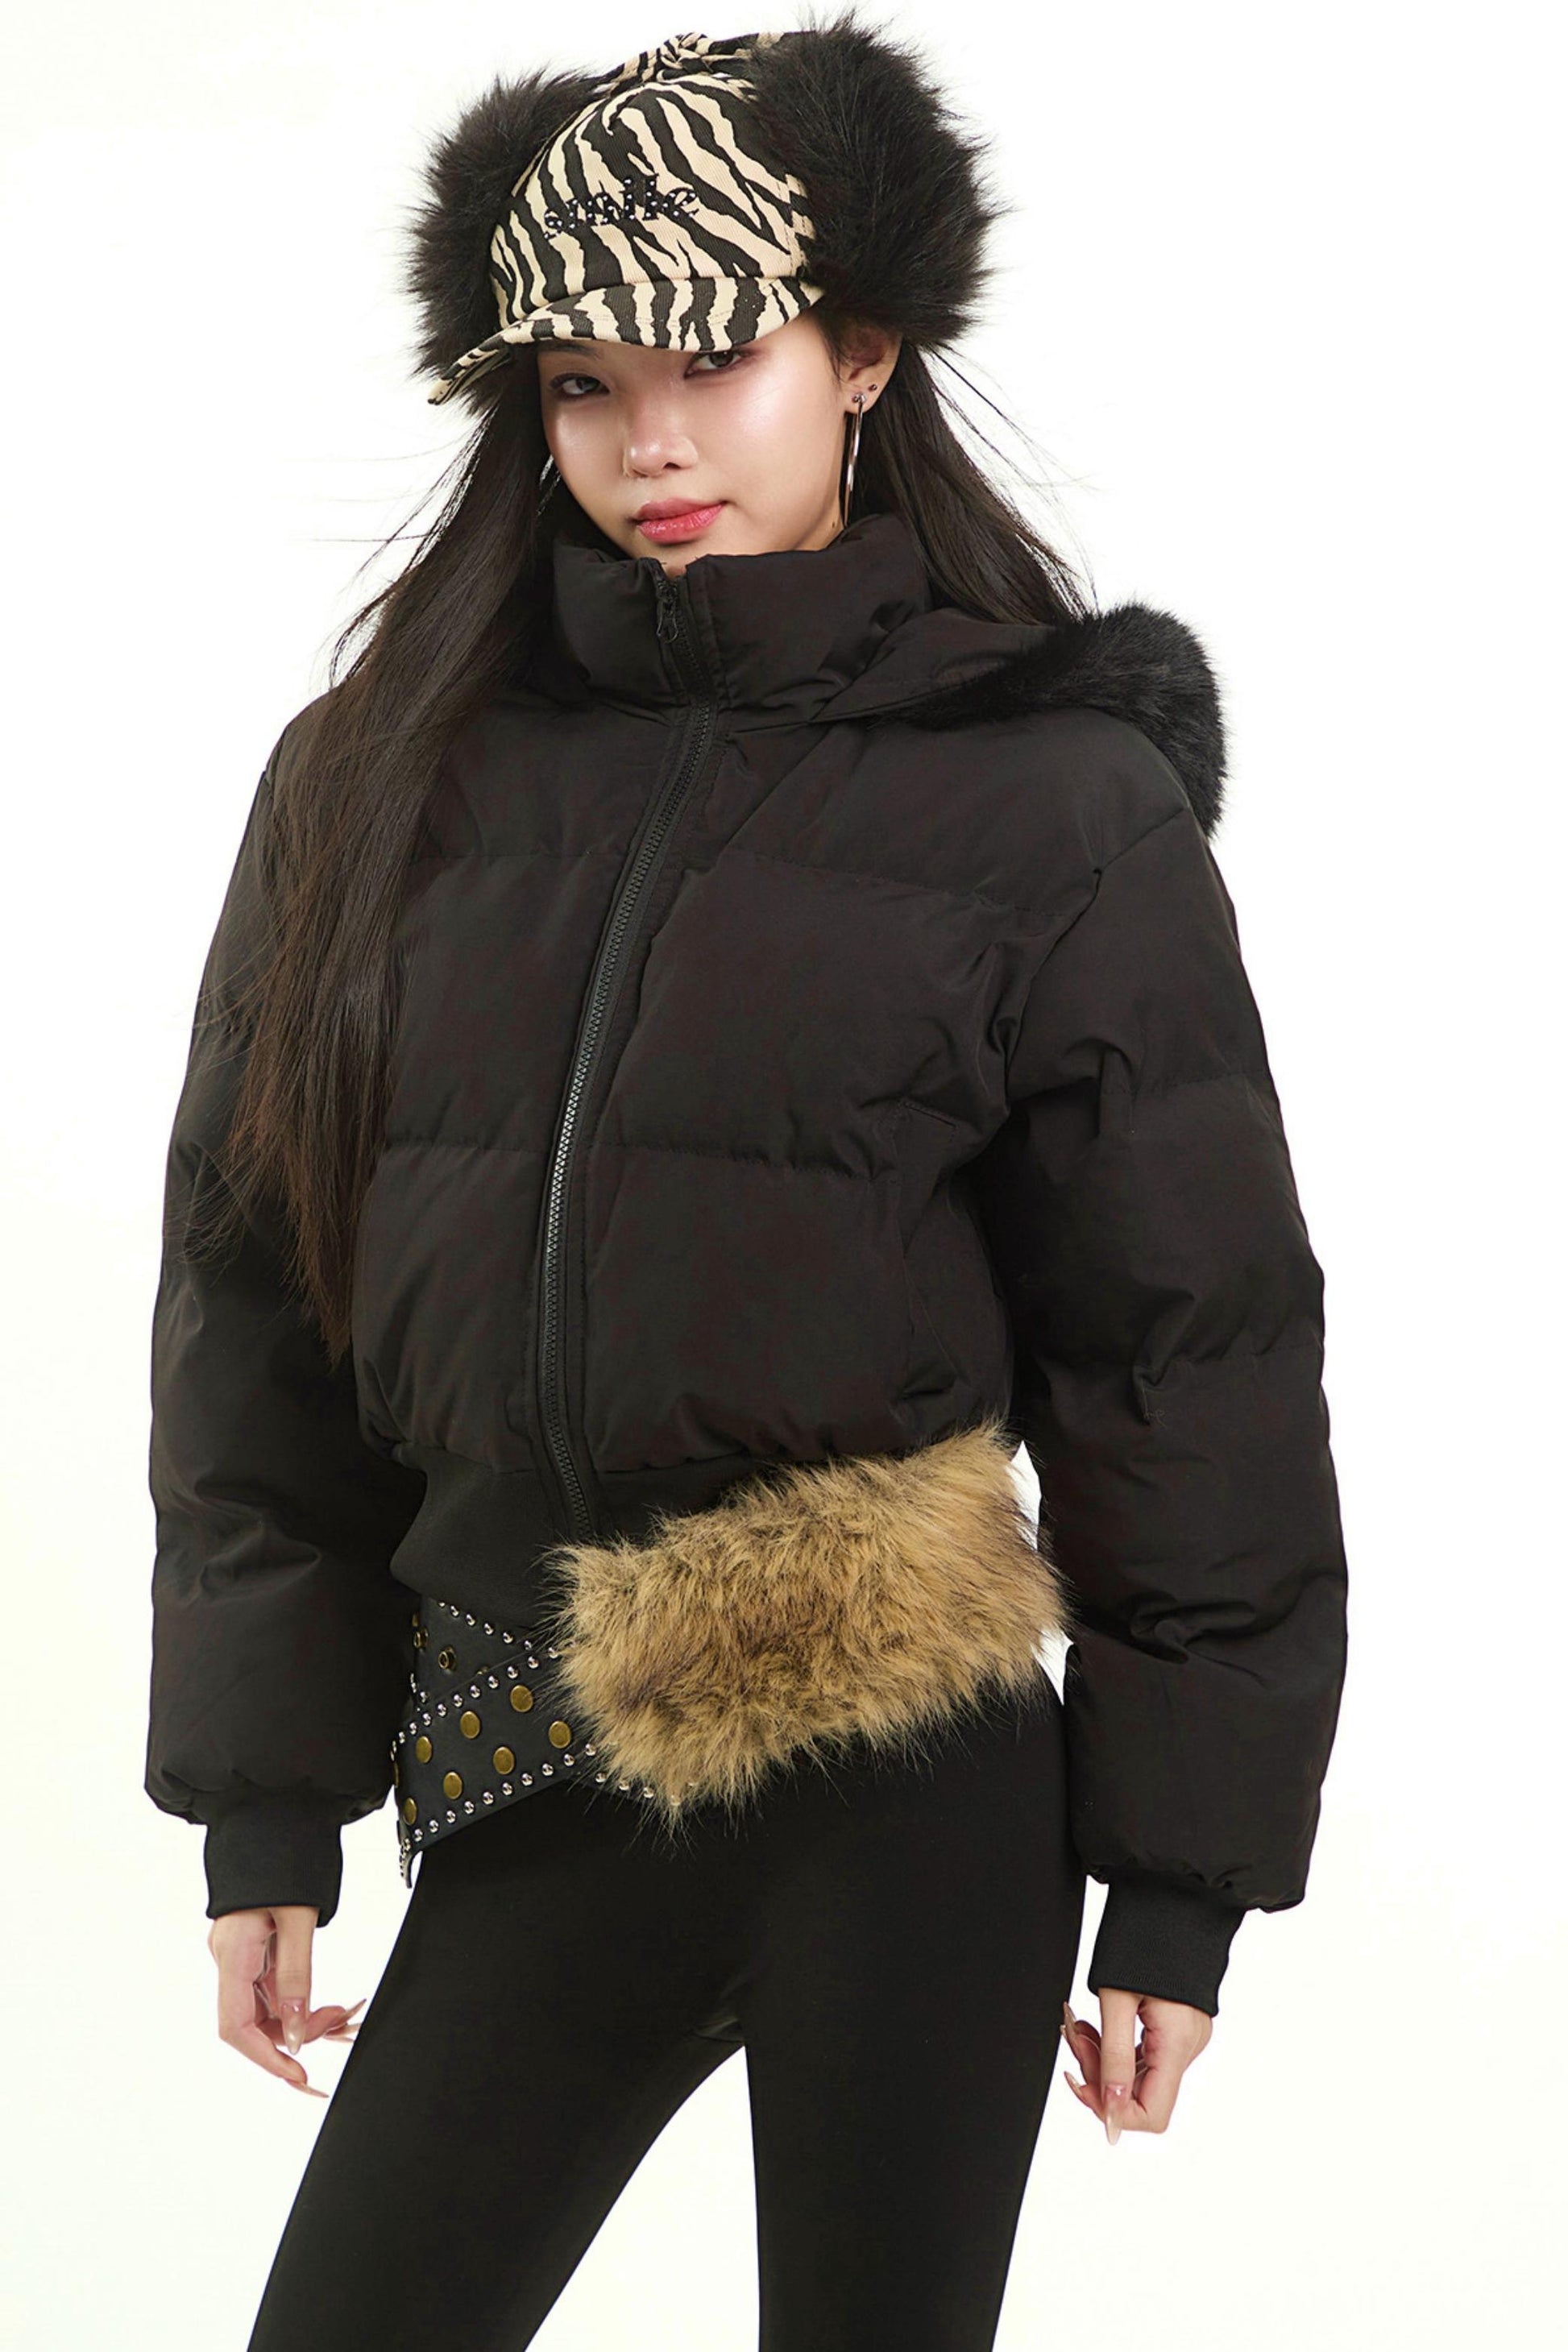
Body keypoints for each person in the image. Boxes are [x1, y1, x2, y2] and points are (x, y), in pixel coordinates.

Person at [143, 16, 1349, 2349]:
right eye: (582, 387)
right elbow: (254, 1296)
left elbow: (1184, 1343)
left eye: (715, 361)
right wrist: (265, 1800)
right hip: (527, 1743)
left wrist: (1182, 1880)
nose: (654, 443)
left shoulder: (1053, 799)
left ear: (862, 352)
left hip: (903, 1780)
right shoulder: (377, 780)